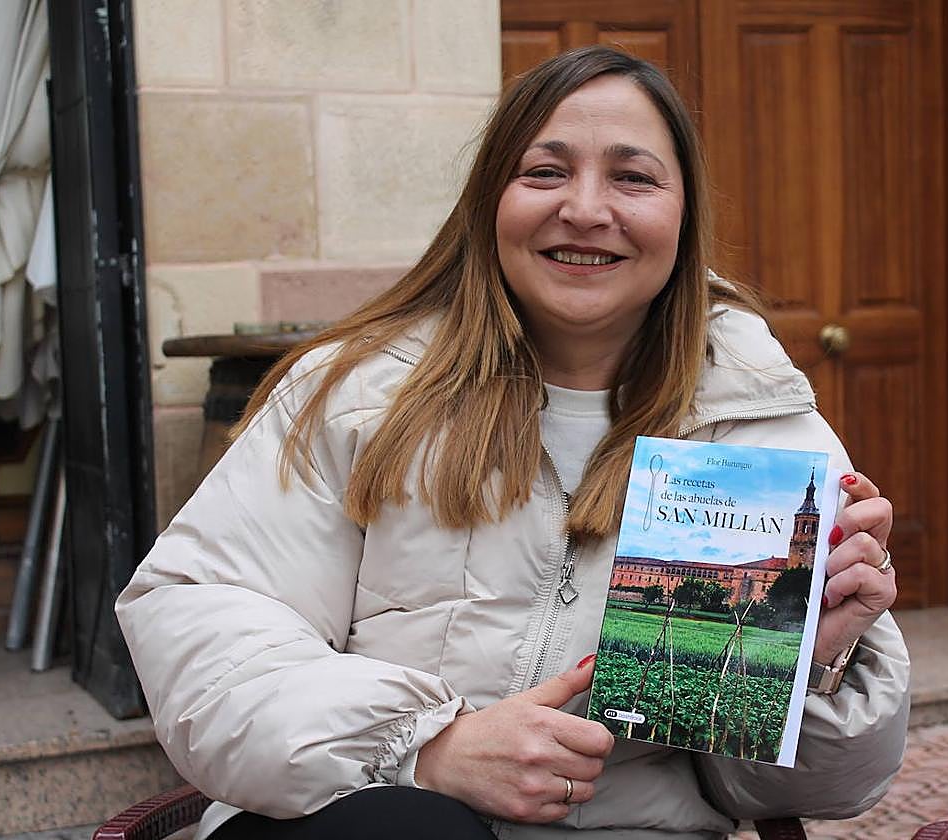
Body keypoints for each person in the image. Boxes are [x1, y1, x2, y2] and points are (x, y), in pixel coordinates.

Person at [116, 46, 908, 840]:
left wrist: (812, 664)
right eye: (545, 172)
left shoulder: (758, 432)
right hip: (365, 816)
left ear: (684, 215)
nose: (587, 209)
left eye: (633, 178)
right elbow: (205, 622)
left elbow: (785, 792)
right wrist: (427, 749)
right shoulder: (358, 393)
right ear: (491, 198)